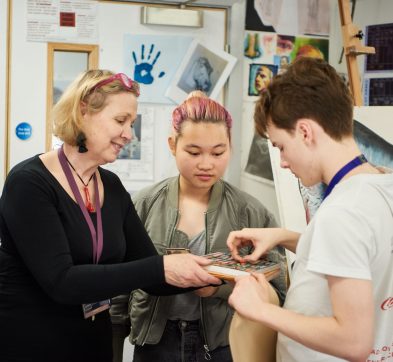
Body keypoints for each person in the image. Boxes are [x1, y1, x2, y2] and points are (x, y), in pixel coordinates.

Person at [0, 70, 221, 362]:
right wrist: (164, 267)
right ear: (83, 112)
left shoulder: (111, 186)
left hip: (92, 343)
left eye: (132, 123)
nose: (129, 134)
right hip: (33, 344)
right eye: (120, 121)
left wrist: (214, 271)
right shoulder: (29, 183)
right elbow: (62, 281)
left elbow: (150, 273)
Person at [227, 57, 393, 361]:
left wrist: (260, 310)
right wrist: (285, 236)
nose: (284, 162)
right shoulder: (381, 185)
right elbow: (362, 257)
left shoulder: (342, 213)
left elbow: (353, 341)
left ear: (305, 132)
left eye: (280, 146)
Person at [111, 91, 287, 362]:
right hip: (155, 343)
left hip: (223, 343)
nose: (207, 164)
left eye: (218, 152)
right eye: (193, 152)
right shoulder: (143, 204)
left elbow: (278, 291)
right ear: (172, 145)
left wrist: (219, 289)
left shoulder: (251, 213)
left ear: (230, 146)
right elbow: (120, 285)